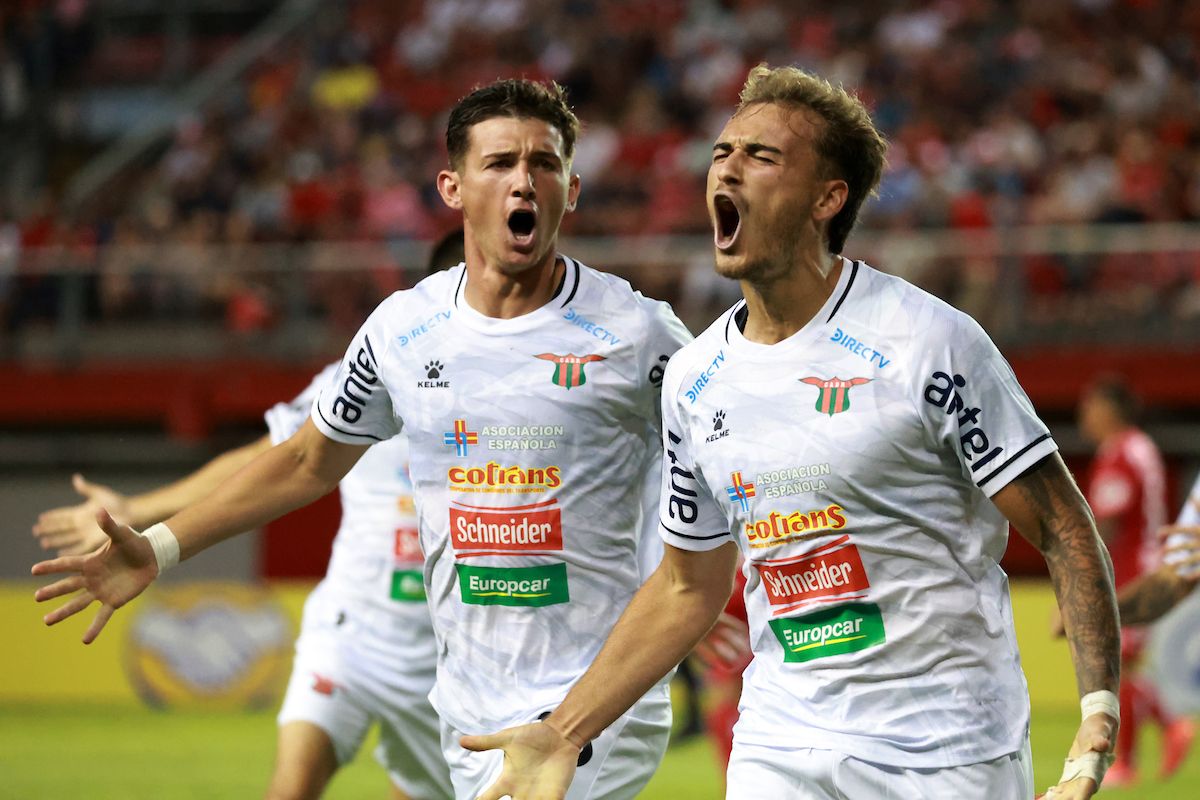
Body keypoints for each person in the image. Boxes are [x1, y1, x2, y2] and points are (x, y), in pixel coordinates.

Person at [459, 64, 1121, 800]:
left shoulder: (928, 342)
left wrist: (1096, 713)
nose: (726, 168)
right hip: (780, 742)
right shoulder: (694, 377)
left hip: (944, 751)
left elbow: (1064, 527)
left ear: (825, 199)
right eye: (721, 153)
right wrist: (565, 729)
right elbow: (688, 586)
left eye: (760, 156)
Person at [33, 78, 692, 800]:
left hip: (590, 704)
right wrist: (161, 546)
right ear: (453, 186)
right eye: (499, 162)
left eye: (543, 164)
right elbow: (304, 460)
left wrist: (710, 595)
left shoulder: (638, 335)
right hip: (466, 701)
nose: (523, 181)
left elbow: (729, 464)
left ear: (572, 187)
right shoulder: (401, 330)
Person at [29, 229, 468, 800]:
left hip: (449, 665)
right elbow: (270, 457)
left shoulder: (527, 398)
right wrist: (136, 510)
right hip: (351, 637)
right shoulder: (366, 377)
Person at [1077, 375, 1193, 783]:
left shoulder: (1121, 453)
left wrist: (1081, 569)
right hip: (1144, 562)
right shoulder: (1139, 447)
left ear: (1110, 410)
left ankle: (1133, 756)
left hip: (1131, 571)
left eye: (1090, 406)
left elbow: (1106, 522)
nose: (1084, 415)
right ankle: (1167, 729)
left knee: (1116, 665)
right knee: (1123, 665)